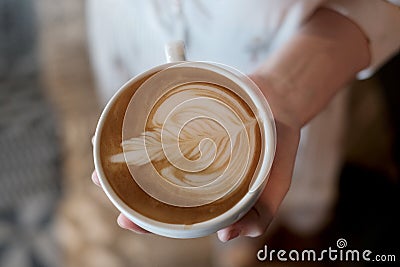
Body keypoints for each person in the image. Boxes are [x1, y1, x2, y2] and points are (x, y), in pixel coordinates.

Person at [89, 0, 400, 243]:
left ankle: (300, 234)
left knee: (298, 204)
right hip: (134, 50)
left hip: (291, 90)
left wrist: (285, 92)